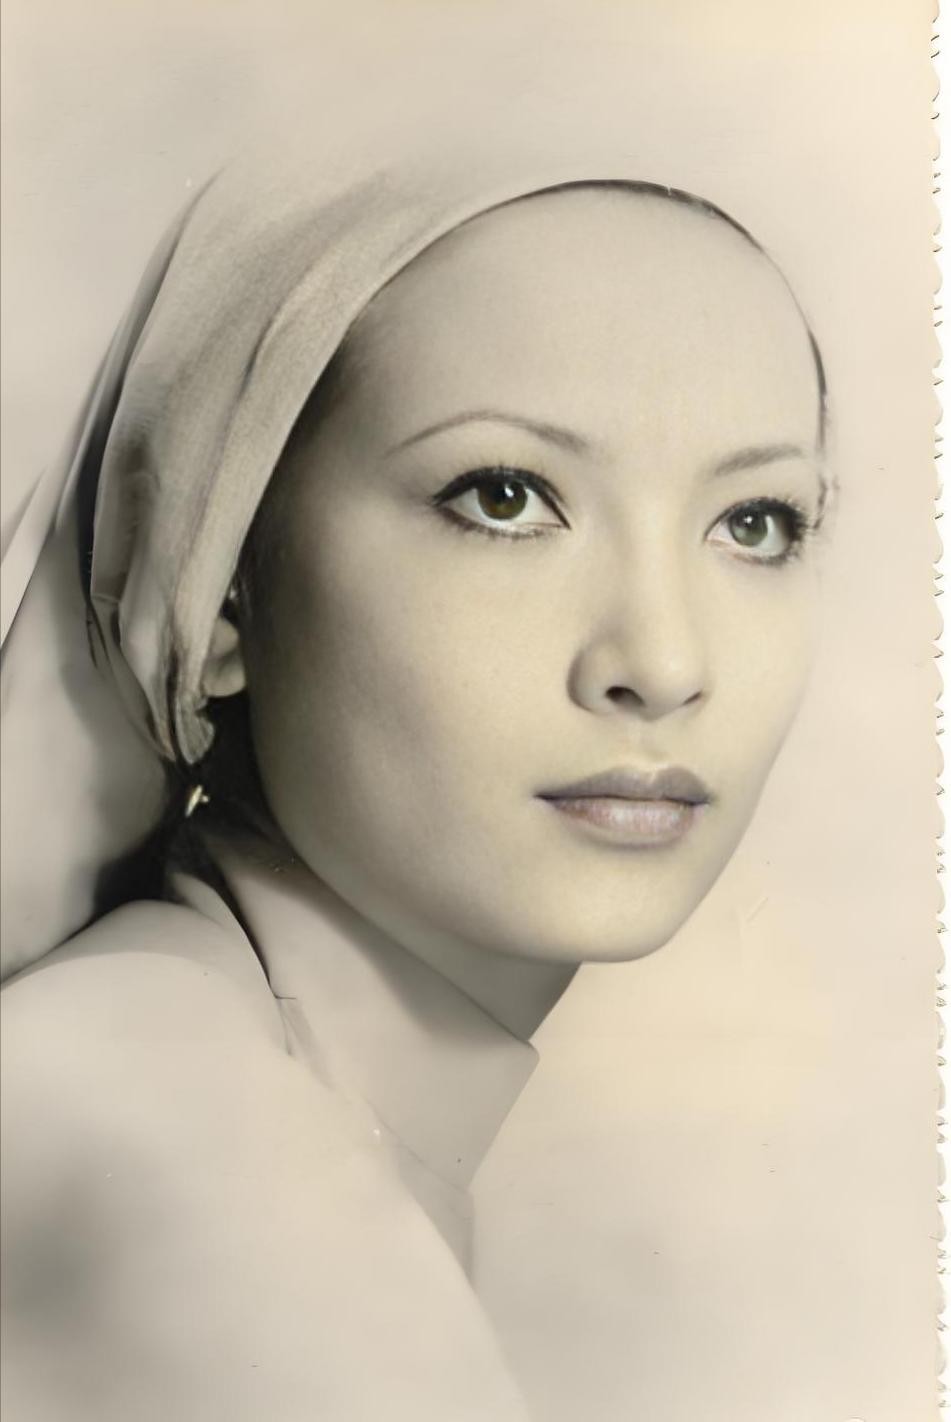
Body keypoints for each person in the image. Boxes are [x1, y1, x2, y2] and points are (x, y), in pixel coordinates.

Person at [0, 112, 835, 1420]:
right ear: (221, 590)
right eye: (505, 497)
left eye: (756, 521)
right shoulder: (194, 1156)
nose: (664, 661)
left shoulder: (191, 1071)